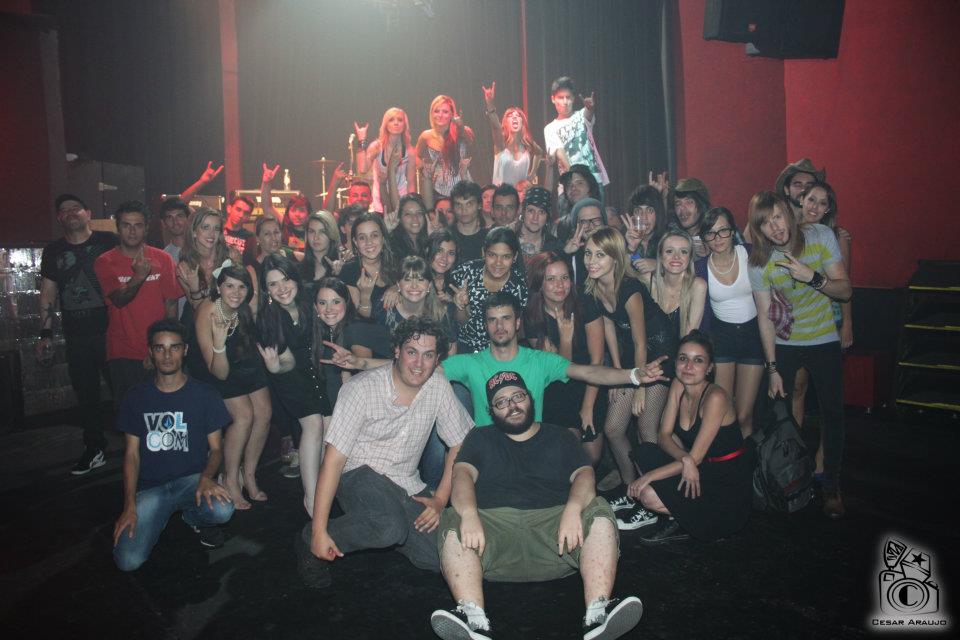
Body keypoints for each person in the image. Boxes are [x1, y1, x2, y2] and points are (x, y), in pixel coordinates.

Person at [429, 371, 643, 640]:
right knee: (454, 517)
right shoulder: (479, 437)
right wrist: (470, 514)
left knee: (598, 508)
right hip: (493, 538)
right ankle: (473, 619)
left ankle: (598, 614)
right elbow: (461, 475)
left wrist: (573, 509)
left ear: (530, 398)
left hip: (557, 537)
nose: (512, 405)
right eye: (501, 402)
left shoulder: (560, 435)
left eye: (517, 396)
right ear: (491, 411)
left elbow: (585, 474)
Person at [324, 291, 666, 434]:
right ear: (485, 325)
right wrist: (358, 362)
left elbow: (589, 370)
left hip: (531, 445)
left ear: (517, 323)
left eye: (506, 319)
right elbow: (414, 368)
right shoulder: (471, 364)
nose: (499, 326)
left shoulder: (539, 361)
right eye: (492, 320)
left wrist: (635, 375)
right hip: (487, 452)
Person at [300, 317, 474, 588]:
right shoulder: (360, 389)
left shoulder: (438, 387)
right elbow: (333, 461)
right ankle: (309, 538)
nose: (419, 364)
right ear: (396, 350)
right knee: (388, 526)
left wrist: (440, 498)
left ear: (437, 359)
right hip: (358, 473)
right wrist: (319, 530)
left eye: (428, 355)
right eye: (412, 352)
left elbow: (460, 443)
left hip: (405, 481)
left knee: (442, 554)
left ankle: (391, 527)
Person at [747, 191, 852, 519]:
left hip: (824, 340)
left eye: (778, 217)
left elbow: (845, 289)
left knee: (833, 414)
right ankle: (794, 479)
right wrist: (772, 367)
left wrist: (813, 278)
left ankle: (831, 486)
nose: (775, 227)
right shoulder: (760, 262)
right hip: (787, 344)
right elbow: (764, 317)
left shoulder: (819, 237)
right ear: (759, 230)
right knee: (781, 416)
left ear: (790, 213)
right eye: (766, 223)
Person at [113, 319, 234, 570]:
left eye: (174, 347)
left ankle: (194, 517)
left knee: (223, 510)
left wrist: (207, 477)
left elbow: (216, 449)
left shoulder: (205, 394)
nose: (167, 355)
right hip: (151, 489)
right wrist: (129, 505)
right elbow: (132, 455)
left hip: (192, 481)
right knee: (128, 561)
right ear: (151, 351)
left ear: (185, 350)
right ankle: (160, 515)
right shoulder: (136, 397)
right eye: (160, 348)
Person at [582, 227, 680, 528]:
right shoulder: (594, 287)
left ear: (615, 258)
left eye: (600, 255)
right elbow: (610, 332)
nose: (591, 261)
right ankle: (631, 489)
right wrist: (618, 375)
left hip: (659, 355)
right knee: (613, 428)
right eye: (588, 253)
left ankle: (656, 499)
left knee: (647, 429)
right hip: (633, 361)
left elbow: (640, 342)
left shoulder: (630, 289)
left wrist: (638, 386)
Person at [627, 331, 754, 543]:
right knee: (643, 452)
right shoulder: (678, 385)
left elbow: (697, 458)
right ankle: (681, 516)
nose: (688, 366)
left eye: (698, 361)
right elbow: (664, 436)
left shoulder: (716, 397)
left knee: (648, 494)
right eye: (683, 358)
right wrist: (685, 459)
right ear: (676, 362)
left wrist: (650, 476)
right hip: (697, 470)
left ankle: (682, 519)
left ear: (709, 368)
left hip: (726, 486)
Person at [38, 194, 119, 474]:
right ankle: (94, 448)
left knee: (123, 390)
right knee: (86, 394)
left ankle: (138, 445)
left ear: (88, 213)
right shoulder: (53, 251)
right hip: (77, 335)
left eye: (76, 208)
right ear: (59, 218)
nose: (70, 213)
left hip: (112, 330)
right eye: (64, 210)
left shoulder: (109, 241)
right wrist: (45, 333)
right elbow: (48, 293)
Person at [257, 254, 332, 516]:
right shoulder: (268, 318)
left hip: (316, 370)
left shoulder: (310, 300)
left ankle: (323, 486)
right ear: (267, 290)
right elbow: (287, 361)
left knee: (330, 425)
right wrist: (275, 367)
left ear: (296, 280)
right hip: (289, 377)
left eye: (285, 279)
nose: (281, 288)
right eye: (273, 284)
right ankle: (311, 499)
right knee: (313, 424)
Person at [193, 265, 271, 509]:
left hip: (245, 362)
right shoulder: (207, 312)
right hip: (218, 367)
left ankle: (249, 474)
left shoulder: (244, 308)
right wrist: (219, 341)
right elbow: (218, 372)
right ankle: (229, 479)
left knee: (264, 412)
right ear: (218, 287)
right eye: (229, 286)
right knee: (244, 416)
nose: (236, 293)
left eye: (242, 287)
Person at [94, 201, 182, 408]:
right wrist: (139, 276)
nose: (132, 231)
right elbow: (118, 300)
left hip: (159, 349)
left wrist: (165, 347)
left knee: (163, 410)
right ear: (118, 227)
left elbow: (171, 304)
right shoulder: (105, 261)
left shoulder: (163, 258)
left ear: (146, 228)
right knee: (130, 412)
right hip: (123, 350)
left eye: (138, 225)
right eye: (126, 225)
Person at [793, 180, 852, 477]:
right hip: (797, 324)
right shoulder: (788, 233)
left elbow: (846, 285)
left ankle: (823, 462)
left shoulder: (836, 236)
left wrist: (848, 324)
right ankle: (794, 456)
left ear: (829, 209)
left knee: (828, 401)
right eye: (811, 200)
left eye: (822, 203)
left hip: (830, 318)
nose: (815, 207)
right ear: (801, 200)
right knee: (797, 388)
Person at [523, 252, 606, 464]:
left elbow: (597, 361)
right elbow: (558, 373)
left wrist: (587, 407)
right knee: (570, 451)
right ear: (540, 283)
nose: (560, 285)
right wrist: (566, 340)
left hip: (590, 383)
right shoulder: (532, 316)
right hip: (557, 390)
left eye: (564, 277)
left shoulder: (585, 304)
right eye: (551, 279)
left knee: (592, 456)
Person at [694, 207, 763, 437]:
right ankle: (725, 457)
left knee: (744, 415)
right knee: (723, 412)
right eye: (711, 233)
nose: (717, 238)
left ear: (733, 231)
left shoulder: (750, 253)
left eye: (723, 230)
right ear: (704, 238)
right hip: (722, 339)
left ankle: (748, 458)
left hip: (753, 337)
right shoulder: (700, 267)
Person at [449, 226, 528, 354]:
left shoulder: (518, 286)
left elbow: (517, 330)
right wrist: (460, 306)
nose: (498, 263)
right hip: (463, 346)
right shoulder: (467, 272)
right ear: (483, 253)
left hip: (498, 350)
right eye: (492, 255)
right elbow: (461, 322)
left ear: (515, 257)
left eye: (506, 256)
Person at [543, 76, 609, 192]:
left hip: (593, 180)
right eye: (560, 97)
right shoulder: (550, 128)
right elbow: (559, 152)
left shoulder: (581, 115)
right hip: (569, 185)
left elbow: (588, 114)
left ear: (573, 98)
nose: (565, 102)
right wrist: (576, 179)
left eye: (568, 97)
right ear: (553, 99)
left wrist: (590, 108)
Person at [354, 108, 418, 214]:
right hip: (380, 201)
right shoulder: (377, 147)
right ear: (386, 124)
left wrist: (412, 206)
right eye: (391, 120)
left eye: (400, 120)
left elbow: (411, 183)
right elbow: (362, 169)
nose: (396, 123)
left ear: (405, 125)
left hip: (400, 200)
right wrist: (361, 139)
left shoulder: (409, 151)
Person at [481, 81, 543, 186]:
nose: (514, 117)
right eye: (510, 116)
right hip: (502, 195)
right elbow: (495, 125)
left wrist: (532, 173)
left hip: (521, 195)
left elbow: (539, 152)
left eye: (518, 116)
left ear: (522, 122)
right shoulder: (501, 144)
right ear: (505, 123)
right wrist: (490, 103)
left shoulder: (527, 144)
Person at [339, 213, 398, 319]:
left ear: (383, 238)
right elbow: (364, 316)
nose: (369, 242)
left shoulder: (395, 263)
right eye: (362, 238)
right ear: (355, 242)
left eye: (374, 235)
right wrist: (365, 295)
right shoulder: (349, 270)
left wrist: (398, 288)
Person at [416, 95, 475, 198]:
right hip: (438, 189)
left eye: (445, 112)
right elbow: (415, 155)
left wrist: (460, 126)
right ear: (431, 113)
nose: (440, 115)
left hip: (462, 185)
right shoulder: (426, 135)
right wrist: (423, 168)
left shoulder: (462, 131)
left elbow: (470, 141)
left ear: (452, 114)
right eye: (436, 111)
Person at [620, 185, 668, 279]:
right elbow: (620, 275)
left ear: (658, 214)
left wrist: (659, 265)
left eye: (650, 210)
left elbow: (687, 268)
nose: (644, 217)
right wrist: (631, 248)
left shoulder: (669, 238)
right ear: (632, 216)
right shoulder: (622, 238)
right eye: (638, 211)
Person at [296, 211, 343, 304]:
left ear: (331, 234)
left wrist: (340, 275)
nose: (316, 237)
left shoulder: (342, 264)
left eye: (322, 232)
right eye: (311, 231)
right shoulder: (298, 268)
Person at [517, 186, 561, 263]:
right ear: (523, 211)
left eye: (541, 212)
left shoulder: (554, 246)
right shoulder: (509, 237)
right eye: (531, 211)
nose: (535, 218)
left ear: (547, 216)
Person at [448, 181, 488, 263]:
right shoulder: (447, 236)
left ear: (479, 205)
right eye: (458, 204)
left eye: (469, 204)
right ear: (453, 208)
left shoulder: (488, 238)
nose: (464, 210)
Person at [672, 178, 711, 257]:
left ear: (701, 205)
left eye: (689, 202)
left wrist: (713, 253)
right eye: (678, 203)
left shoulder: (715, 234)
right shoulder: (673, 233)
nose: (682, 209)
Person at [387, 193, 429, 258]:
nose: (415, 218)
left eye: (419, 213)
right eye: (408, 214)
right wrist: (387, 230)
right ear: (400, 218)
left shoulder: (428, 242)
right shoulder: (392, 245)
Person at [223, 195, 257, 260]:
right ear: (229, 209)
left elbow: (251, 263)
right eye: (238, 209)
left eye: (246, 213)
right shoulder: (217, 231)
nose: (241, 215)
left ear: (248, 217)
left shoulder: (249, 237)